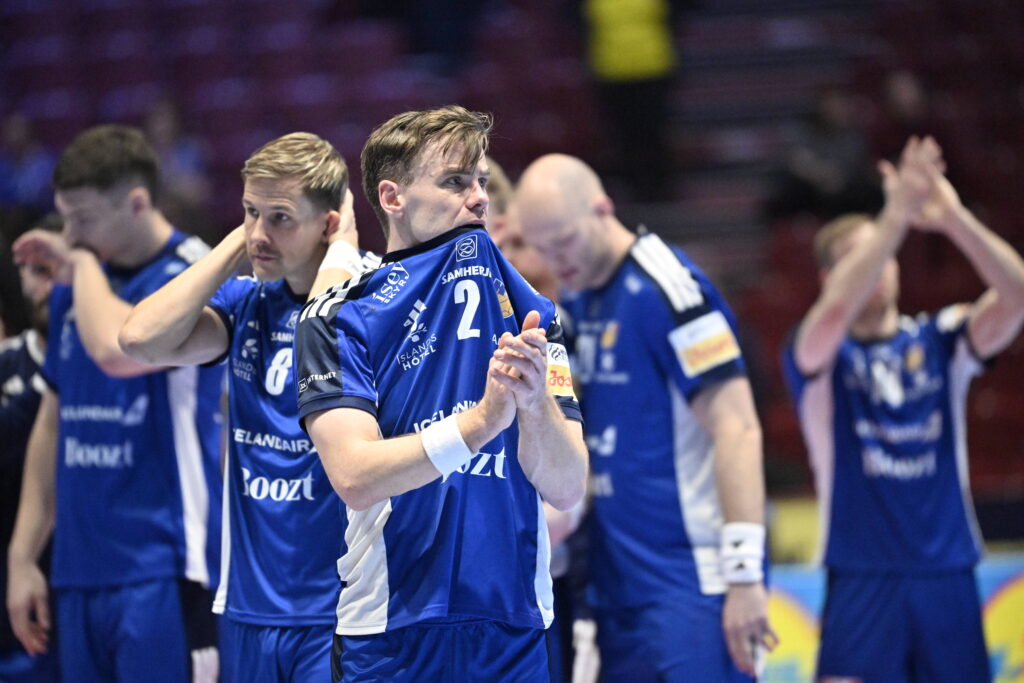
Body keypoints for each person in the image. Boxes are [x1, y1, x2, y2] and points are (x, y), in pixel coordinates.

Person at [294, 105, 588, 682]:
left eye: (481, 181)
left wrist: (534, 407)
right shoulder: (336, 316)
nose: (478, 199)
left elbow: (567, 485)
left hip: (512, 629)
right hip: (390, 631)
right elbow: (354, 476)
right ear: (392, 197)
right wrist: (480, 424)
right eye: (455, 182)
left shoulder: (536, 315)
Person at [118, 132, 376, 682]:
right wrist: (241, 243)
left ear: (330, 224)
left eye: (280, 218)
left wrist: (337, 251)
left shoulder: (375, 295)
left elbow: (326, 324)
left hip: (343, 610)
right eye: (249, 211)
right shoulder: (246, 300)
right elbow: (139, 339)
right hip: (247, 608)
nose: (260, 232)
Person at [515, 153, 776, 681]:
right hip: (616, 590)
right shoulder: (577, 298)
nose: (554, 260)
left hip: (692, 585)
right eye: (541, 248)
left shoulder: (669, 287)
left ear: (602, 208)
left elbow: (738, 426)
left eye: (563, 241)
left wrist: (745, 575)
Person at [781, 136, 1024, 682]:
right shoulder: (819, 352)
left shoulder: (941, 338)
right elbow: (834, 313)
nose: (880, 266)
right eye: (862, 257)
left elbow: (1016, 298)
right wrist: (895, 215)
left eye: (886, 253)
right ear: (829, 279)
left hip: (946, 570)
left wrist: (955, 219)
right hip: (860, 573)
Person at [7, 125, 223, 682]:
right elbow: (53, 423)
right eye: (65, 218)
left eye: (82, 218)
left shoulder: (193, 273)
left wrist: (80, 268)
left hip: (165, 567)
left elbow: (115, 349)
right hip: (80, 572)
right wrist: (23, 556)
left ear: (137, 202)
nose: (69, 235)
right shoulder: (77, 281)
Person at [0, 213, 61, 683]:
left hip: (85, 585)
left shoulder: (121, 366)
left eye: (58, 270)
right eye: (37, 271)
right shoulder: (7, 364)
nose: (49, 285)